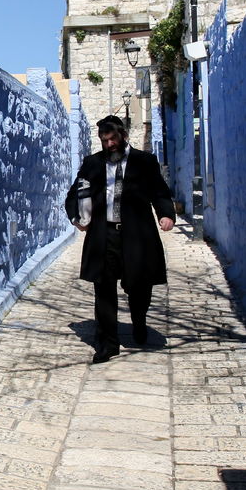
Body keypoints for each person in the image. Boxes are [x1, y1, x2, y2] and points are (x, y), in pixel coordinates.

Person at [64, 115, 176, 363]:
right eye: (105, 140)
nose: (110, 145)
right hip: (104, 236)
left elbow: (159, 192)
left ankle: (139, 319)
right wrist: (77, 218)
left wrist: (166, 214)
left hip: (136, 235)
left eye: (113, 139)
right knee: (103, 289)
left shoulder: (145, 162)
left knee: (139, 286)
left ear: (124, 136)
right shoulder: (92, 163)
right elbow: (74, 194)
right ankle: (107, 344)